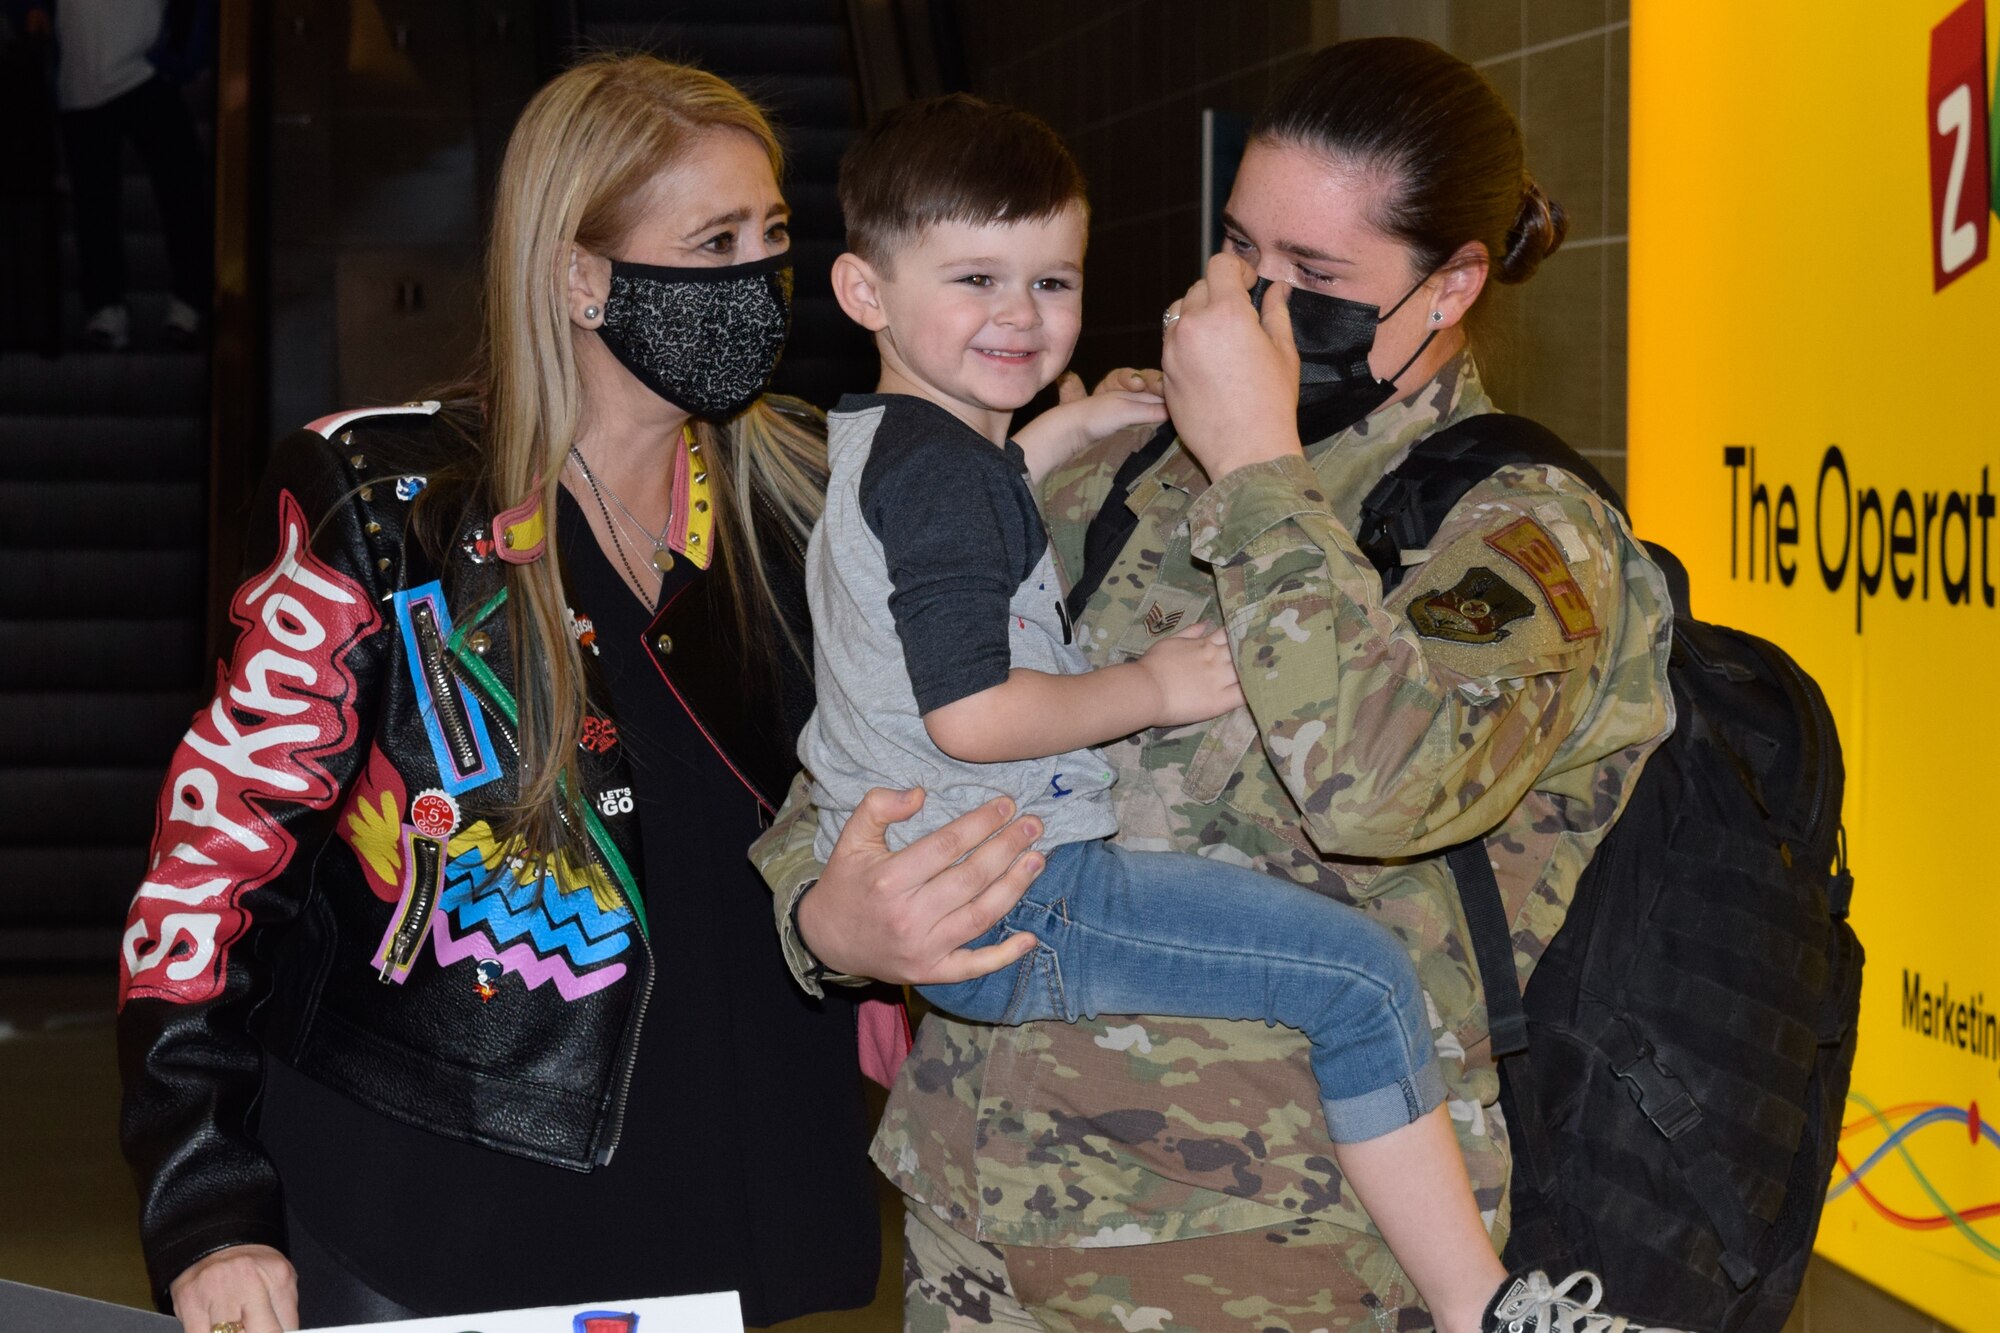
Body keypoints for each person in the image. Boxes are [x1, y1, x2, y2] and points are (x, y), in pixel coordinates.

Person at [755, 37, 1677, 1332]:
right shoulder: (1111, 474)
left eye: (1314, 275)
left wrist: (1256, 465)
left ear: (1453, 282)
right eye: (1241, 249)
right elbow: (859, 750)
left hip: (1275, 1278)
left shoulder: (1523, 535)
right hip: (983, 1240)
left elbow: (1380, 786)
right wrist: (829, 919)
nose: (1256, 299)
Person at [117, 55, 881, 1332]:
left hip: (733, 1188)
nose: (756, 280)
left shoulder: (807, 494)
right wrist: (205, 1198)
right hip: (434, 1210)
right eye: (711, 243)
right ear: (580, 276)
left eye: (772, 237)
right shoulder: (385, 501)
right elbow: (211, 870)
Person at [27, 0, 213, 348]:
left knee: (180, 189)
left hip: (145, 73)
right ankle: (106, 310)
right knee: (94, 204)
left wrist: (181, 56)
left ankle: (189, 303)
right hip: (81, 81)